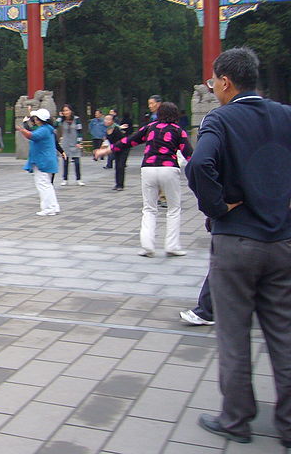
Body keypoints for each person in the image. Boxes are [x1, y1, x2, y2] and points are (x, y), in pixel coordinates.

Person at [184, 48, 291, 449]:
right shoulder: (284, 114)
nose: (213, 90)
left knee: (233, 335)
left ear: (225, 81)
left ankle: (237, 420)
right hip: (282, 239)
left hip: (237, 243)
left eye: (213, 83)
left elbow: (199, 165)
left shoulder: (221, 118)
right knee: (283, 333)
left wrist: (217, 207)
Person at [95, 101, 193, 257]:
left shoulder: (150, 127)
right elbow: (189, 155)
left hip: (148, 168)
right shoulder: (178, 130)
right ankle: (172, 245)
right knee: (173, 209)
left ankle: (147, 246)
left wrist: (106, 150)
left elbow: (128, 141)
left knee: (149, 208)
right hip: (169, 168)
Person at [18, 108, 60, 216]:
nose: (34, 119)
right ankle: (53, 206)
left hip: (42, 161)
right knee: (47, 184)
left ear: (39, 119)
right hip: (47, 160)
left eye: (35, 118)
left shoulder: (44, 130)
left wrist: (21, 130)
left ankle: (47, 207)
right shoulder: (47, 129)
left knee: (42, 184)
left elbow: (32, 136)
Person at [57, 105, 84, 186]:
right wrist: (60, 117)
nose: (66, 112)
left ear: (71, 111)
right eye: (64, 111)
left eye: (67, 110)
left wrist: (79, 142)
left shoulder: (76, 119)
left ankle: (78, 179)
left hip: (75, 143)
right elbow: (55, 125)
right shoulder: (62, 120)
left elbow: (80, 131)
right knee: (65, 162)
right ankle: (65, 179)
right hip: (65, 143)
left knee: (77, 162)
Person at [103, 114, 128, 191]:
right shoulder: (107, 130)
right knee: (117, 166)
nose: (106, 121)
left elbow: (122, 140)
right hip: (116, 149)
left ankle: (120, 185)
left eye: (108, 119)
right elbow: (106, 141)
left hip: (124, 148)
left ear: (112, 121)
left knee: (121, 166)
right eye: (105, 119)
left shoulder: (116, 129)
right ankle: (117, 184)